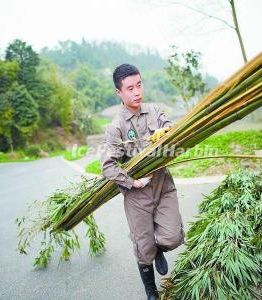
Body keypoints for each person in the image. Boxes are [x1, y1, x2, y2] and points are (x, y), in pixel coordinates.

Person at [101, 64, 185, 300]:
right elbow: (108, 166)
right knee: (144, 250)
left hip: (163, 186)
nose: (137, 92)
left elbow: (171, 127)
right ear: (119, 92)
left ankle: (160, 248)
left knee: (173, 238)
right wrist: (133, 183)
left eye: (139, 85)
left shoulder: (155, 111)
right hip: (137, 195)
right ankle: (151, 290)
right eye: (130, 88)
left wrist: (167, 132)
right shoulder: (116, 127)